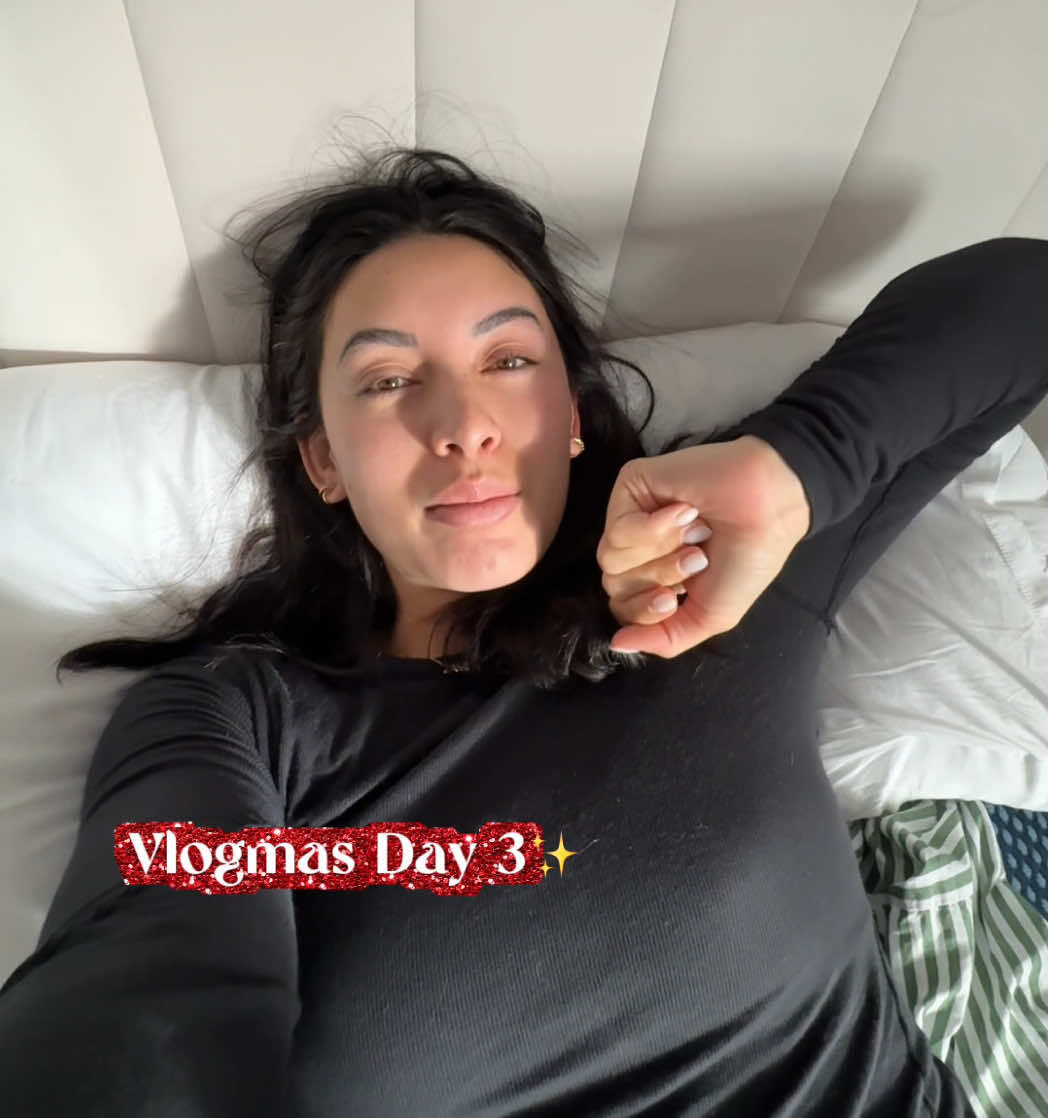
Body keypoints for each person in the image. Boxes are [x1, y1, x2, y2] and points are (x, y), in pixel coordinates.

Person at [1, 137, 1045, 1117]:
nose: (463, 426)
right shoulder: (239, 721)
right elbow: (141, 990)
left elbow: (1023, 292)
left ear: (573, 413)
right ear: (323, 461)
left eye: (507, 361)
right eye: (388, 380)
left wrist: (793, 465)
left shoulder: (715, 561)